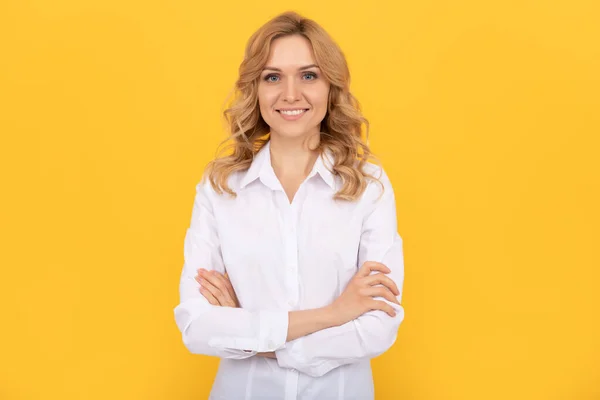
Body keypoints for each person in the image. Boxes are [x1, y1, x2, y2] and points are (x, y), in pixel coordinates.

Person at [173, 10, 405, 400]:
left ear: (331, 87)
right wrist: (333, 314)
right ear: (256, 89)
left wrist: (248, 331)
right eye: (273, 76)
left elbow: (377, 327)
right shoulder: (220, 188)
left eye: (309, 75)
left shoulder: (369, 183)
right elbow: (197, 326)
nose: (291, 94)